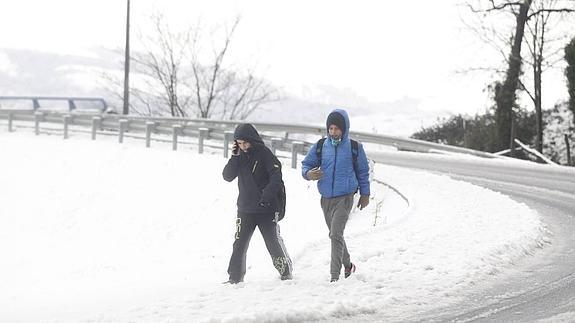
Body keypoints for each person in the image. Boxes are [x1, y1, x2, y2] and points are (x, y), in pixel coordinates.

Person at [301, 109, 370, 282]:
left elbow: (363, 172)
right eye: (330, 128)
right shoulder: (320, 146)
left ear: (344, 129)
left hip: (345, 198)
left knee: (335, 234)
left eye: (337, 129)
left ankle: (334, 277)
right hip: (325, 199)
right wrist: (309, 174)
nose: (333, 132)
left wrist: (365, 194)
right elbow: (306, 164)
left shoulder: (355, 148)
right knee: (335, 235)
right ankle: (348, 265)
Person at [222, 123, 293, 284]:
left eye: (245, 142)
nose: (243, 146)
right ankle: (235, 277)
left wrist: (265, 197)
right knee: (239, 243)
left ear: (253, 140)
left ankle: (285, 272)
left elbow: (276, 178)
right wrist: (234, 157)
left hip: (266, 209)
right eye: (239, 143)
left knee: (272, 242)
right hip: (245, 209)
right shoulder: (239, 157)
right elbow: (227, 176)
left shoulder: (265, 154)